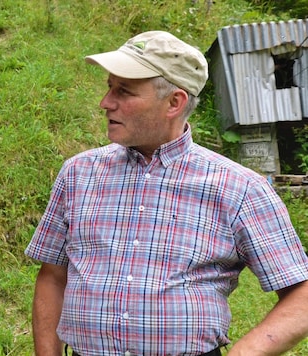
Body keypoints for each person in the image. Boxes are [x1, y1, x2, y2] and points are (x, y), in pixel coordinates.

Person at [25, 30, 308, 356]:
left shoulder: (239, 188)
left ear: (174, 102)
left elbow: (301, 294)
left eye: (124, 91)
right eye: (109, 87)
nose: (106, 103)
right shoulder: (78, 174)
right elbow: (52, 277)